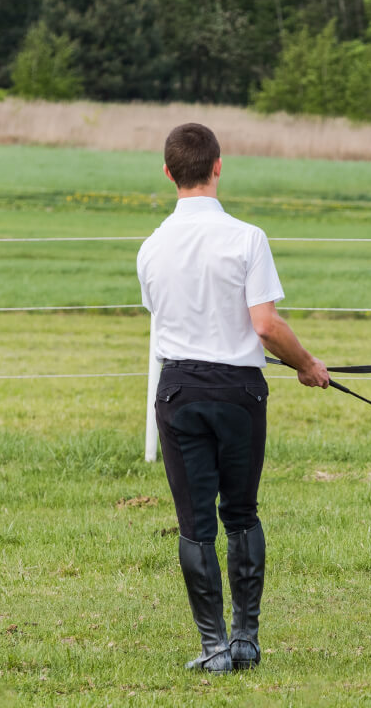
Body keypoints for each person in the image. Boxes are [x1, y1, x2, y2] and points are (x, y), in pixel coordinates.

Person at [137, 123, 330, 673]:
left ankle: (213, 646)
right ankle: (246, 638)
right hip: (240, 392)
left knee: (194, 523)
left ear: (169, 173)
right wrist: (308, 365)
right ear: (219, 166)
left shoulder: (151, 248)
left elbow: (168, 319)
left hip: (178, 390)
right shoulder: (248, 238)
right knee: (241, 514)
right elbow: (264, 326)